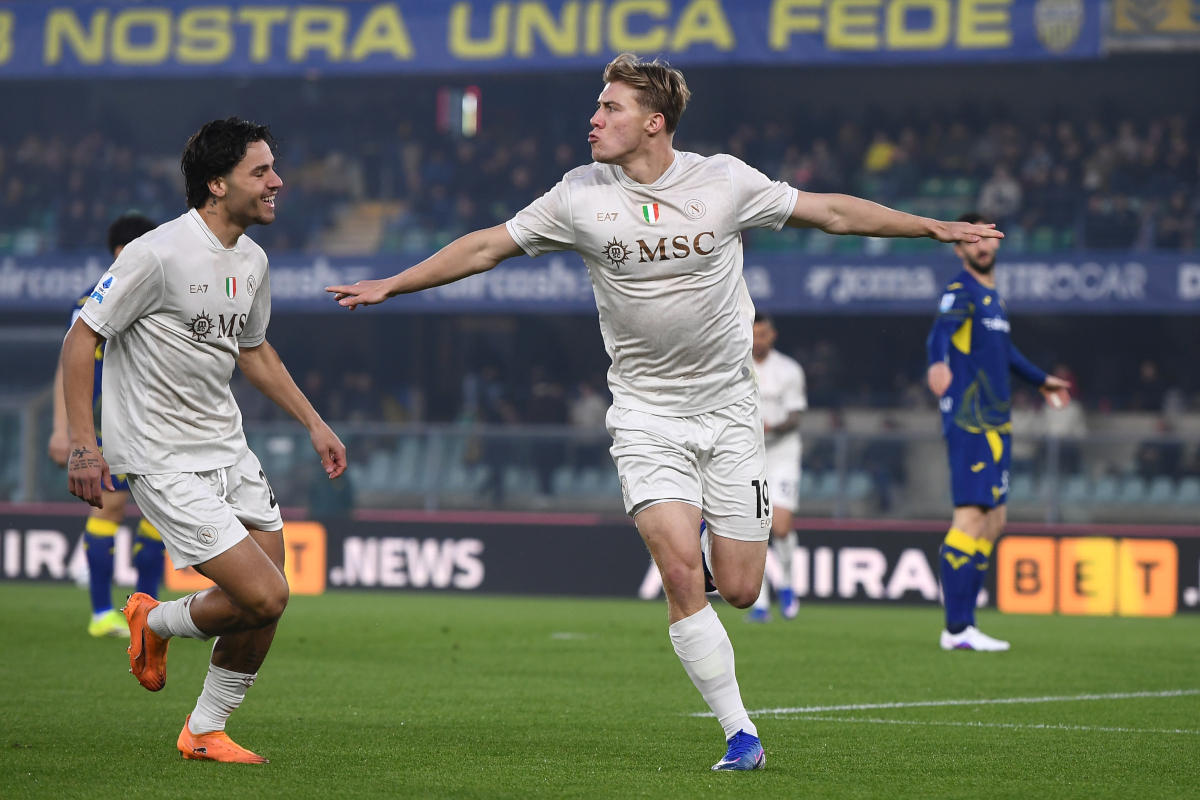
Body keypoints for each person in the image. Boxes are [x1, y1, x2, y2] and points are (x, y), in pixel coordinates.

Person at [327, 54, 1001, 771]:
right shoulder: (579, 194)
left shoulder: (723, 182)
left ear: (654, 123)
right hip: (646, 416)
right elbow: (490, 245)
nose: (594, 118)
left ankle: (712, 543)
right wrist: (394, 284)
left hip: (730, 411)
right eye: (597, 106)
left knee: (739, 589)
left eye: (610, 108)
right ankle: (741, 733)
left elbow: (831, 211)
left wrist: (933, 227)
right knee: (681, 575)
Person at [61, 118, 346, 763]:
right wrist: (84, 444)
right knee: (267, 593)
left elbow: (255, 352)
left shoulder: (252, 259)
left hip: (227, 447)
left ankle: (204, 730)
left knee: (265, 600)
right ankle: (153, 620)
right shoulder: (156, 253)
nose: (277, 182)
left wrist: (313, 422)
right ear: (216, 184)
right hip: (160, 456)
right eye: (261, 172)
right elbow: (83, 339)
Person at [926, 211, 1069, 652]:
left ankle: (967, 624)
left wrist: (1041, 379)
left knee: (995, 521)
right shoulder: (962, 291)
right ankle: (956, 628)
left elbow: (1004, 351)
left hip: (997, 423)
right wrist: (936, 364)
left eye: (987, 238)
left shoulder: (993, 299)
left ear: (998, 243)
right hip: (972, 422)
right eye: (971, 240)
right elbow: (940, 334)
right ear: (959, 248)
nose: (981, 246)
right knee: (970, 518)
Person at [49, 213, 166, 638]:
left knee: (163, 514)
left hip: (157, 428)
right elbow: (68, 367)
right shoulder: (89, 305)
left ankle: (147, 613)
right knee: (112, 507)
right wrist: (64, 431)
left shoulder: (159, 299)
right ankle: (102, 612)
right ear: (122, 253)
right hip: (106, 428)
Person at [745, 313, 806, 623]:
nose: (759, 340)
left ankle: (788, 585)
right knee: (756, 529)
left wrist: (771, 428)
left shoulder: (789, 370)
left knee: (780, 526)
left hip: (782, 454)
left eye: (764, 334)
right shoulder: (736, 366)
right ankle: (761, 603)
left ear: (773, 335)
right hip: (748, 457)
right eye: (754, 334)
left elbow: (796, 416)